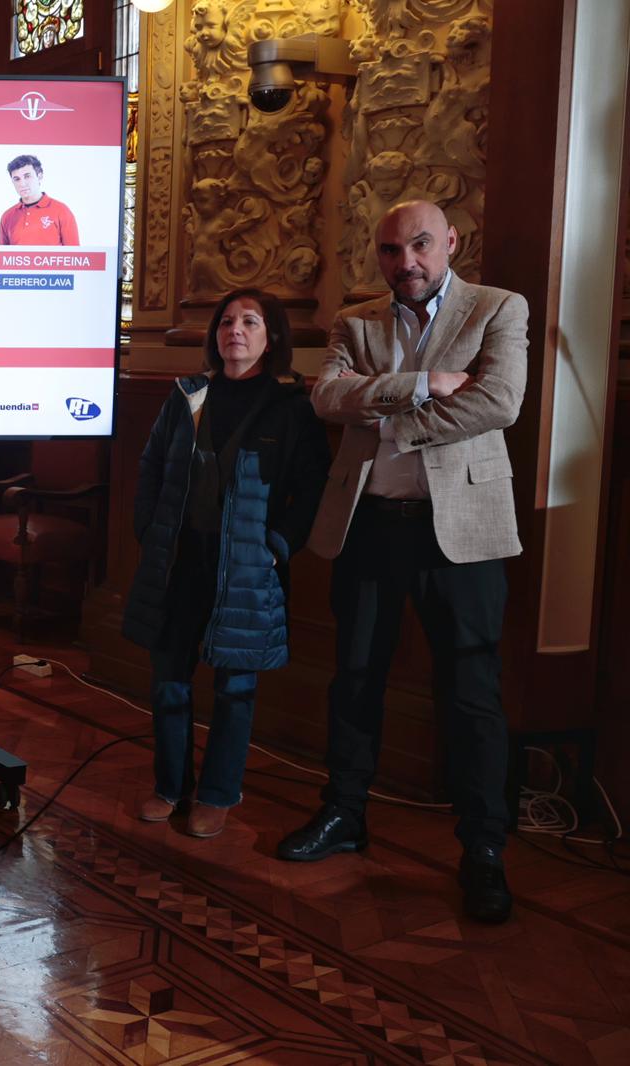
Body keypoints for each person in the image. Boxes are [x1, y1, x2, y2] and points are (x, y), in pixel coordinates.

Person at [277, 200, 528, 924]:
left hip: (463, 535)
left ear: (451, 241)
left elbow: (498, 403)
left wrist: (388, 422)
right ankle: (344, 813)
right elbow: (327, 397)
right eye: (391, 250)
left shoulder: (498, 308)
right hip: (370, 527)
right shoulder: (355, 321)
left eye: (420, 245)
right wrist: (423, 384)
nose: (406, 262)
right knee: (355, 678)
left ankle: (483, 847)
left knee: (472, 694)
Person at [122, 288, 329, 839]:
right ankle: (171, 787)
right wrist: (148, 528)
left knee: (235, 686)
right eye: (227, 321)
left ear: (272, 337)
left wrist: (278, 545)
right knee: (169, 680)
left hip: (246, 565)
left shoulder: (291, 406)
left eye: (250, 321)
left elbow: (312, 486)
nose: (235, 330)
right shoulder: (187, 395)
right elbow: (150, 465)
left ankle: (217, 794)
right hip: (179, 558)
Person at [0, 154, 80, 246]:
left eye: (27, 176)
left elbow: (75, 253)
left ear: (40, 176)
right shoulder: (7, 217)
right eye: (17, 179)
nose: (22, 184)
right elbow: (2, 254)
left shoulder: (61, 210)